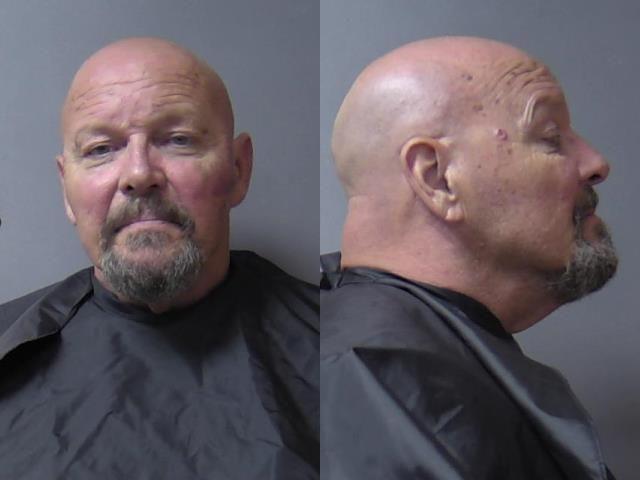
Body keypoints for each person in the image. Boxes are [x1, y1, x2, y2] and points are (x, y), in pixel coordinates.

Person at [0, 37, 318, 479]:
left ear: (238, 170)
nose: (138, 174)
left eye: (177, 140)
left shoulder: (336, 351)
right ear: (66, 189)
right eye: (100, 149)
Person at [321, 36, 618, 480]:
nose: (596, 163)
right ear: (437, 178)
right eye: (551, 138)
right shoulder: (372, 377)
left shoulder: (389, 365)